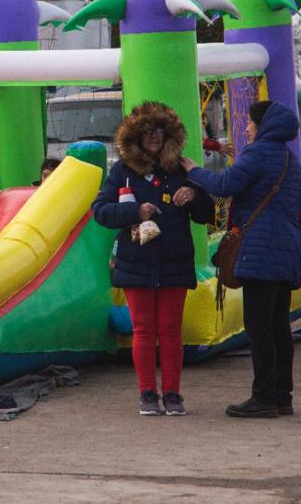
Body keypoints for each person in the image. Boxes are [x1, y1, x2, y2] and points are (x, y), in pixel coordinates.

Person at [182, 100, 301, 419]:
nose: (247, 128)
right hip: (288, 249)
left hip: (261, 250)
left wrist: (193, 170)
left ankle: (263, 397)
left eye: (251, 122)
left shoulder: (258, 153)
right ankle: (282, 396)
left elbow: (224, 185)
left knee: (259, 326)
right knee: (278, 325)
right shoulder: (289, 159)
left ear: (263, 125)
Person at [92, 101, 214, 417]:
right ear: (135, 136)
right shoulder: (121, 171)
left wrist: (195, 195)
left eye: (159, 131)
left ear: (168, 134)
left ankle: (172, 394)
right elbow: (100, 212)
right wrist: (135, 212)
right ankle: (147, 394)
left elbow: (206, 214)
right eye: (147, 132)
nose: (153, 137)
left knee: (171, 330)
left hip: (175, 262)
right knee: (144, 330)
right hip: (136, 263)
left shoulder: (182, 170)